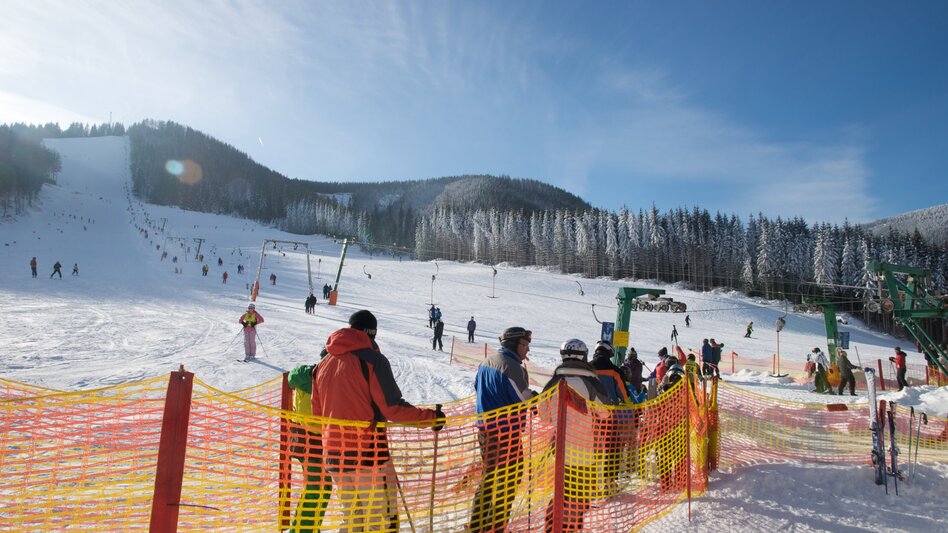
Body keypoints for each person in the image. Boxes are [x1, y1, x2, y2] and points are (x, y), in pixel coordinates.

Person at [310, 310, 444, 532]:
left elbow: (317, 417)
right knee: (378, 521)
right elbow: (393, 408)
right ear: (371, 333)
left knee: (352, 520)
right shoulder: (373, 360)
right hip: (367, 455)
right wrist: (431, 418)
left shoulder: (322, 364)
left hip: (333, 454)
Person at [470, 326, 537, 533]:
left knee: (489, 478)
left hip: (485, 429)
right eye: (524, 345)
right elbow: (522, 397)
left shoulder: (486, 362)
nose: (527, 350)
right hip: (506, 433)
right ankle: (496, 527)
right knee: (509, 481)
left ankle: (477, 526)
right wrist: (537, 399)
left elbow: (476, 387)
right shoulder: (512, 366)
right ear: (513, 344)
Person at [542, 338, 610, 532]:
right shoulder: (591, 382)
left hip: (559, 449)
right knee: (579, 496)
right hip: (585, 450)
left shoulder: (553, 381)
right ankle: (570, 528)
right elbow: (605, 412)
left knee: (560, 492)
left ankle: (552, 527)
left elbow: (544, 416)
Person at [287, 362, 331, 532]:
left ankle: (309, 528)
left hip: (302, 440)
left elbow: (292, 377)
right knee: (318, 487)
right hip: (314, 442)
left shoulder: (305, 374)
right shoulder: (323, 379)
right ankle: (302, 529)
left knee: (318, 486)